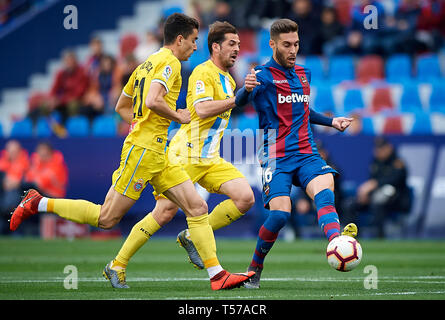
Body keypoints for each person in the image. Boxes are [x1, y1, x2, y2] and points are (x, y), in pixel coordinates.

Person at [9, 13, 254, 291]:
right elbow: (153, 100)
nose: (195, 47)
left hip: (158, 150)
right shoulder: (170, 63)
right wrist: (177, 116)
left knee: (197, 207)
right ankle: (38, 203)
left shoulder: (146, 64)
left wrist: (143, 126)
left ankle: (217, 275)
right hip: (144, 152)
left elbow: (121, 107)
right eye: (194, 40)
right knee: (107, 218)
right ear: (180, 39)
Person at [106, 21, 255, 283]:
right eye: (232, 44)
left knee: (245, 198)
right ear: (216, 47)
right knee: (163, 212)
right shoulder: (201, 72)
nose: (237, 50)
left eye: (239, 45)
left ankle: (191, 235)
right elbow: (203, 109)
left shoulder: (229, 79)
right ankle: (118, 264)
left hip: (209, 157)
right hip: (185, 153)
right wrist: (238, 98)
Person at [235, 18, 357, 289]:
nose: (293, 50)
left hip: (306, 151)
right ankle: (255, 267)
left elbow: (303, 110)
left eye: (296, 44)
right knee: (280, 215)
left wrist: (331, 121)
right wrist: (246, 88)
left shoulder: (304, 74)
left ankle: (336, 241)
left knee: (326, 186)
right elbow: (239, 102)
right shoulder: (263, 76)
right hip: (275, 155)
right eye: (286, 45)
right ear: (273, 44)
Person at [342, 137, 412, 238]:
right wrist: (366, 195)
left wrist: (375, 184)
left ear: (389, 148)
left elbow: (396, 180)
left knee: (378, 202)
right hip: (374, 196)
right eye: (377, 149)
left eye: (382, 148)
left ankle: (379, 236)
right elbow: (371, 180)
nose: (379, 151)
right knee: (350, 205)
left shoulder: (397, 162)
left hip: (396, 199)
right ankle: (352, 237)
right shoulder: (376, 162)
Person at [0, 140, 29, 232]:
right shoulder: (3, 162)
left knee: (13, 192)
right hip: (3, 192)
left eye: (14, 151)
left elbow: (26, 180)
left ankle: (8, 208)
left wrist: (14, 183)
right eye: (10, 151)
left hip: (19, 194)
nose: (12, 153)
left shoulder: (25, 162)